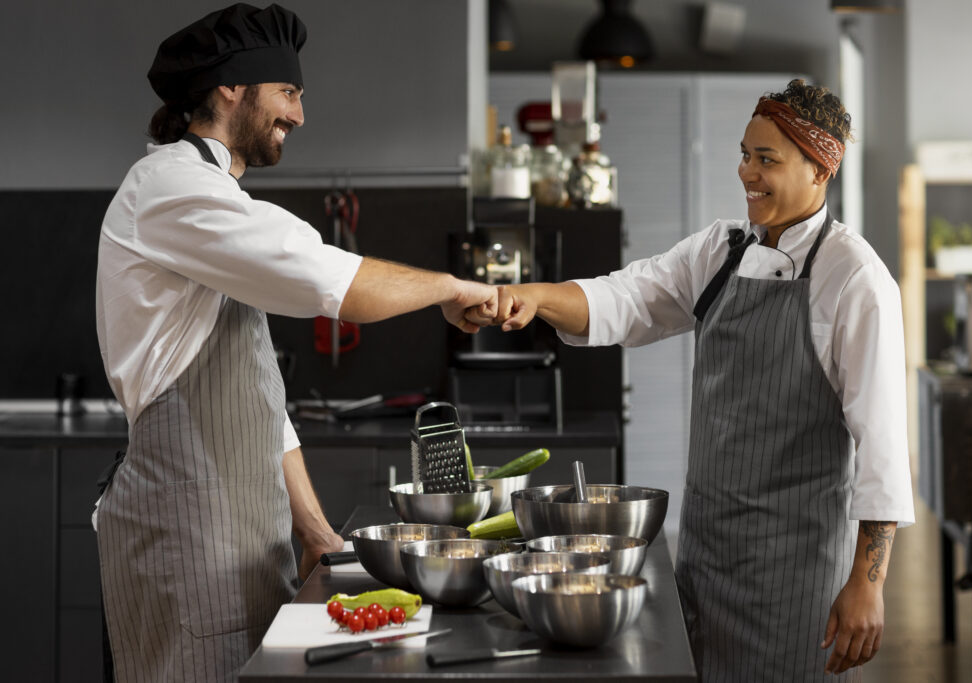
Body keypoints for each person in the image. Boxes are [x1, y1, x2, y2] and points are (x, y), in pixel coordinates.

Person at [94, 4, 497, 681]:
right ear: (231, 88)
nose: (300, 114)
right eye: (289, 92)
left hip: (245, 539)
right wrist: (451, 288)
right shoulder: (169, 188)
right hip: (189, 533)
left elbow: (257, 400)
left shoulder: (217, 202)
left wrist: (310, 526)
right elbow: (327, 279)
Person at [477, 80, 915, 681]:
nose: (746, 173)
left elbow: (882, 446)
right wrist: (528, 296)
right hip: (706, 557)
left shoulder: (856, 278)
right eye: (745, 153)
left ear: (819, 169)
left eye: (767, 159)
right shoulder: (722, 250)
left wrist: (869, 584)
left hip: (793, 570)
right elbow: (626, 297)